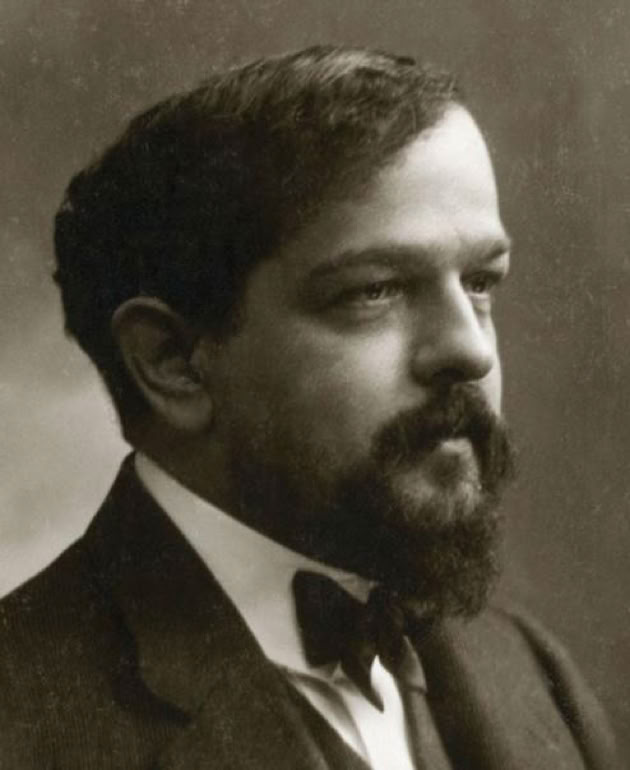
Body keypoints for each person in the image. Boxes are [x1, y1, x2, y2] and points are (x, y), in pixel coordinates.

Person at [0, 45, 618, 769]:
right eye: (373, 291)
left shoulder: (532, 674)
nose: (470, 350)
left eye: (480, 282)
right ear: (173, 363)